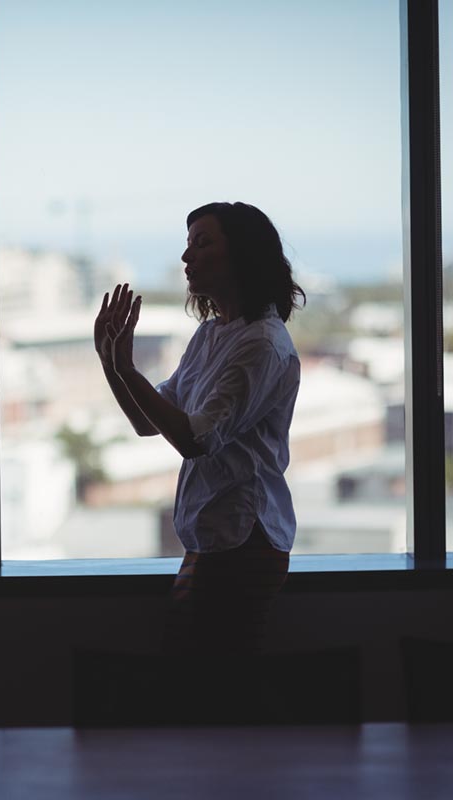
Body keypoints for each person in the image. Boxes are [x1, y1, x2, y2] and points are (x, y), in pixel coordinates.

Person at [95, 201, 304, 657]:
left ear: (243, 254)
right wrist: (111, 364)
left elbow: (195, 439)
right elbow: (147, 424)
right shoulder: (212, 335)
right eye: (188, 245)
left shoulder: (262, 344)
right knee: (204, 679)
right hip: (216, 540)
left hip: (243, 539)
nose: (187, 257)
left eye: (202, 244)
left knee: (207, 682)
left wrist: (126, 368)